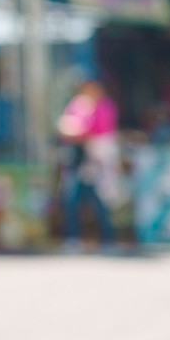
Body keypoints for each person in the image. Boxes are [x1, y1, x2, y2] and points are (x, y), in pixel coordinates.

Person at [56, 77, 120, 250]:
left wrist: (78, 132)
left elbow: (93, 132)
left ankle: (108, 240)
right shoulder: (77, 104)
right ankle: (72, 239)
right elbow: (63, 128)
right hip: (78, 159)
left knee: (100, 202)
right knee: (71, 200)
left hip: (97, 161)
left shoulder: (104, 106)